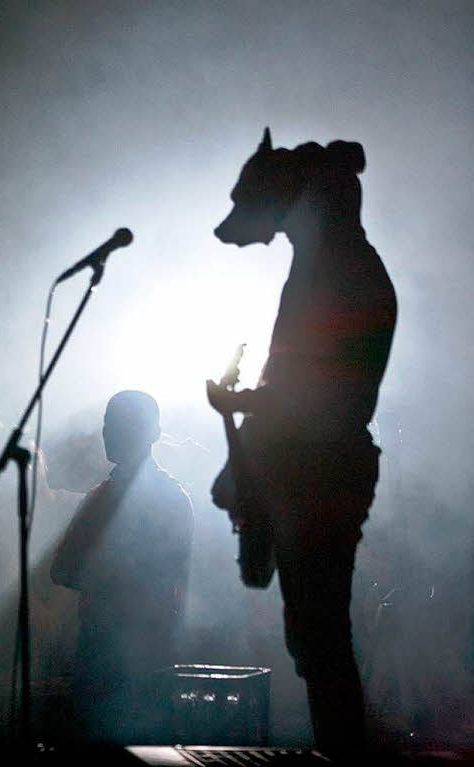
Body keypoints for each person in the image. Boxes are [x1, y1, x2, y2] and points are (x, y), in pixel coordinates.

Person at [208, 130, 396, 756]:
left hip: (322, 473)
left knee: (319, 637)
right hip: (318, 470)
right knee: (314, 637)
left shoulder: (339, 274)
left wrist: (240, 404)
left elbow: (319, 398)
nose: (238, 229)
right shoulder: (331, 266)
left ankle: (343, 754)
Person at [51, 390, 193, 744]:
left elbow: (65, 569)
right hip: (111, 651)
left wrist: (105, 577)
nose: (107, 433)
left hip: (139, 654)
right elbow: (61, 569)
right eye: (106, 424)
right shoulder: (111, 496)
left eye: (119, 425)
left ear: (150, 433)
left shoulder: (158, 499)